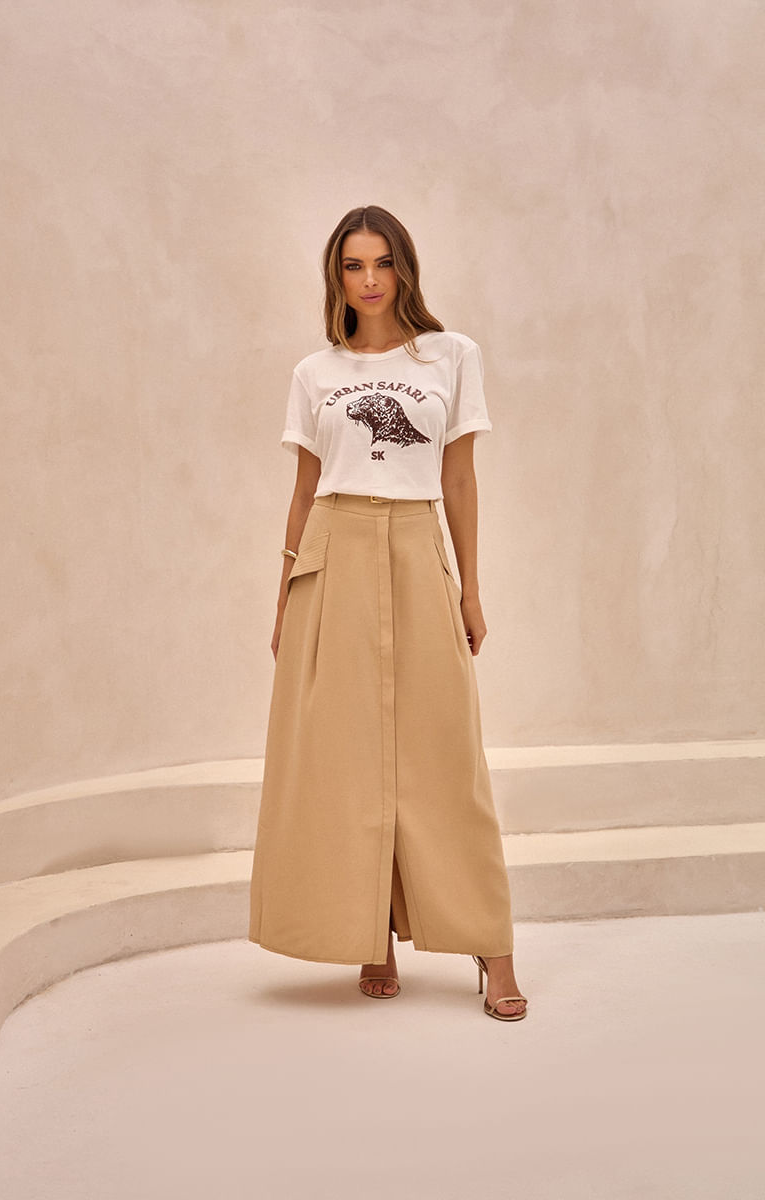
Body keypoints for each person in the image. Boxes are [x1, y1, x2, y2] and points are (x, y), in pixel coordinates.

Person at [248, 205, 528, 1022]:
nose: (369, 280)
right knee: (342, 757)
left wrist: (470, 588)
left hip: (415, 543)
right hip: (332, 551)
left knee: (447, 755)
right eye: (352, 265)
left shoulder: (450, 355)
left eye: (382, 263)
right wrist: (284, 593)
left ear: (404, 268)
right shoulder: (316, 372)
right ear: (336, 277)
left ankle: (492, 945)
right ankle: (370, 933)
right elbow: (304, 490)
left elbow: (460, 479)